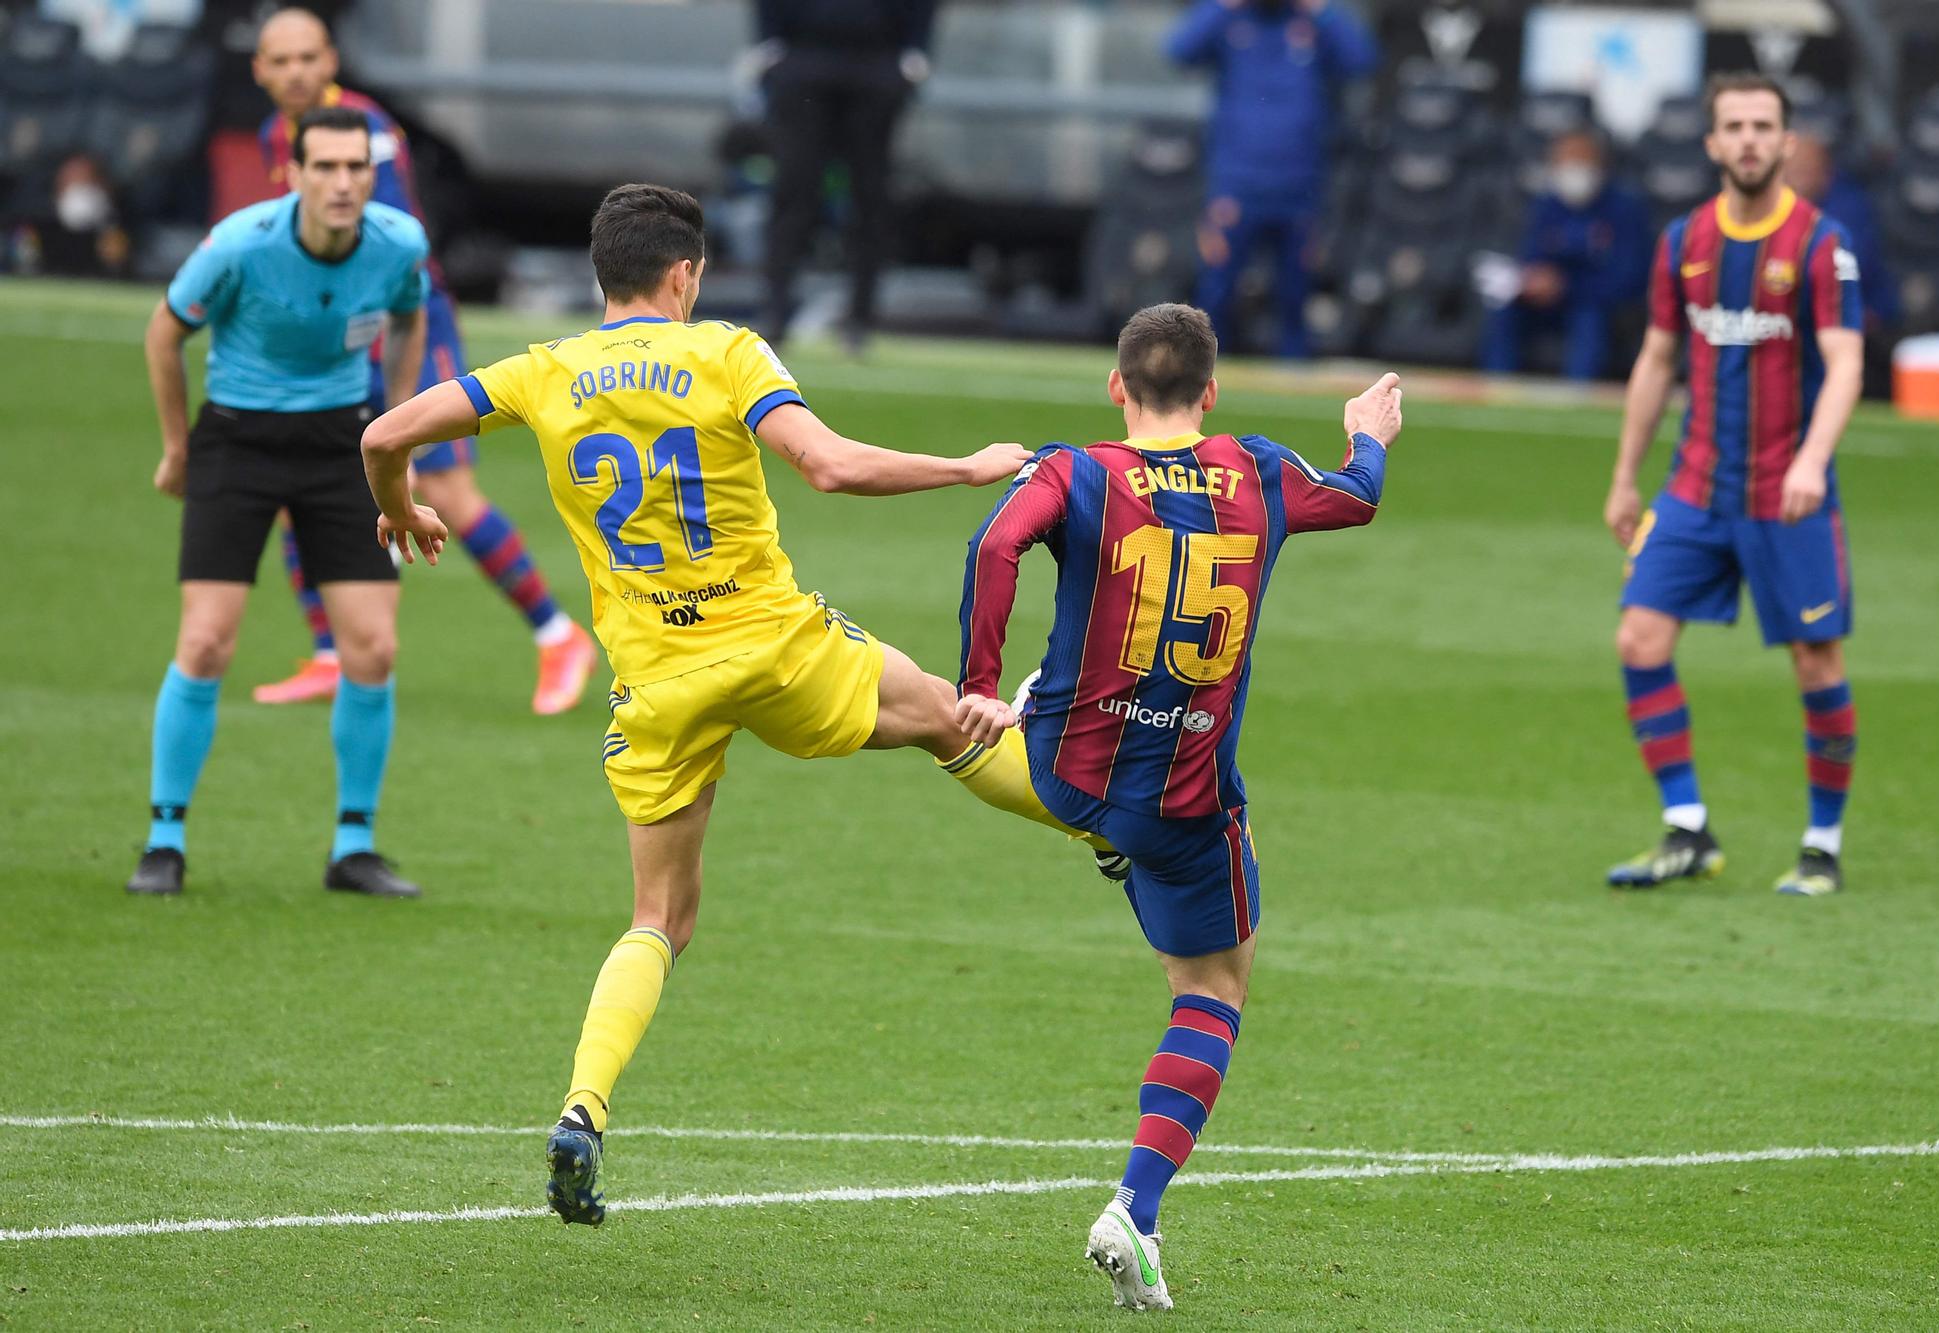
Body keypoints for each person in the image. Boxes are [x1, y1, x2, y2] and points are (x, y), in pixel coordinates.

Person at [361, 183, 1114, 1225]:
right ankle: (1107, 826)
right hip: (772, 647)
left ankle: (582, 1108)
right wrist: (967, 465)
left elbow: (384, 433)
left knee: (659, 917)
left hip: (658, 682)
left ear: (602, 276)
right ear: (686, 274)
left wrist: (400, 509)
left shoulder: (543, 371)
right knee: (950, 717)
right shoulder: (725, 351)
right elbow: (831, 467)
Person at [954, 304, 1403, 1310]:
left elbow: (993, 550)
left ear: (1116, 387)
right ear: (1209, 393)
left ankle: (1019, 734)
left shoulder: (1075, 470)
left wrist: (977, 680)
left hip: (1064, 766)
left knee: (1039, 704)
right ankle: (1135, 1209)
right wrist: (1367, 433)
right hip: (1187, 797)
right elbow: (1356, 498)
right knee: (1211, 988)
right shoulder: (1258, 468)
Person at [247, 7, 596, 713]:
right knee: (292, 489)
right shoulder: (272, 137)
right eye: (279, 61)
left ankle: (558, 634)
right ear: (259, 70)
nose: (295, 73)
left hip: (405, 321)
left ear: (331, 60)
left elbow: (393, 243)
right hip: (331, 328)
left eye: (307, 57)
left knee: (452, 495)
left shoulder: (365, 132)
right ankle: (330, 653)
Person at [127, 106, 430, 900]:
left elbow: (409, 314)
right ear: (292, 175)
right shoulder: (239, 245)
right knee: (206, 644)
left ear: (373, 173)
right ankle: (164, 838)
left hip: (342, 445)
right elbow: (165, 334)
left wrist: (396, 430)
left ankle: (353, 848)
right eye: (324, 167)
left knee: (373, 649)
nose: (341, 183)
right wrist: (178, 448)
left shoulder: (400, 243)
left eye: (355, 167)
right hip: (238, 441)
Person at [1603, 73, 1864, 898]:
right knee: (1638, 639)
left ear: (1787, 143)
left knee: (1817, 663)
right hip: (1695, 487)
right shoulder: (1683, 241)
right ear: (1712, 143)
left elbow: (1848, 359)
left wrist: (1813, 459)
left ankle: (1822, 843)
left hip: (1787, 493)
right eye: (1734, 126)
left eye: (1764, 125)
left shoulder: (1822, 245)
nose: (1749, 139)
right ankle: (1687, 829)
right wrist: (1623, 477)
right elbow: (1656, 358)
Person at [1166, 0, 1378, 359]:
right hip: (1236, 186)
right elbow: (1179, 50)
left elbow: (1362, 61)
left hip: (1300, 186)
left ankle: (1294, 376)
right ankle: (1203, 378)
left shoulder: (1312, 23)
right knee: (1215, 295)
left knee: (1295, 295)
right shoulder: (1231, 21)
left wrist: (1321, 9)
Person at [756, 0, 939, 351]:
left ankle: (860, 320)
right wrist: (772, 44)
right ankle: (775, 313)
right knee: (794, 192)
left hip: (876, 64)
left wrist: (915, 51)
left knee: (870, 198)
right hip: (804, 60)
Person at [1479, 130, 1652, 381]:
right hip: (1547, 305)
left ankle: (1578, 394)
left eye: (1581, 160)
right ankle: (1495, 386)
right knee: (1505, 313)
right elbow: (1531, 256)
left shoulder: (1626, 207)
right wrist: (1533, 281)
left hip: (1599, 305)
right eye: (1565, 161)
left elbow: (1630, 276)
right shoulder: (1546, 205)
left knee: (1589, 318)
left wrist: (1568, 286)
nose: (1573, 169)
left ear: (1600, 164)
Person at [1783, 131, 1900, 333]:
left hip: (1857, 311)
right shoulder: (1764, 208)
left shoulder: (1850, 207)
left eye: (1806, 170)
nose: (1799, 180)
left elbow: (1851, 268)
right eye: (1792, 171)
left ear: (1825, 173)